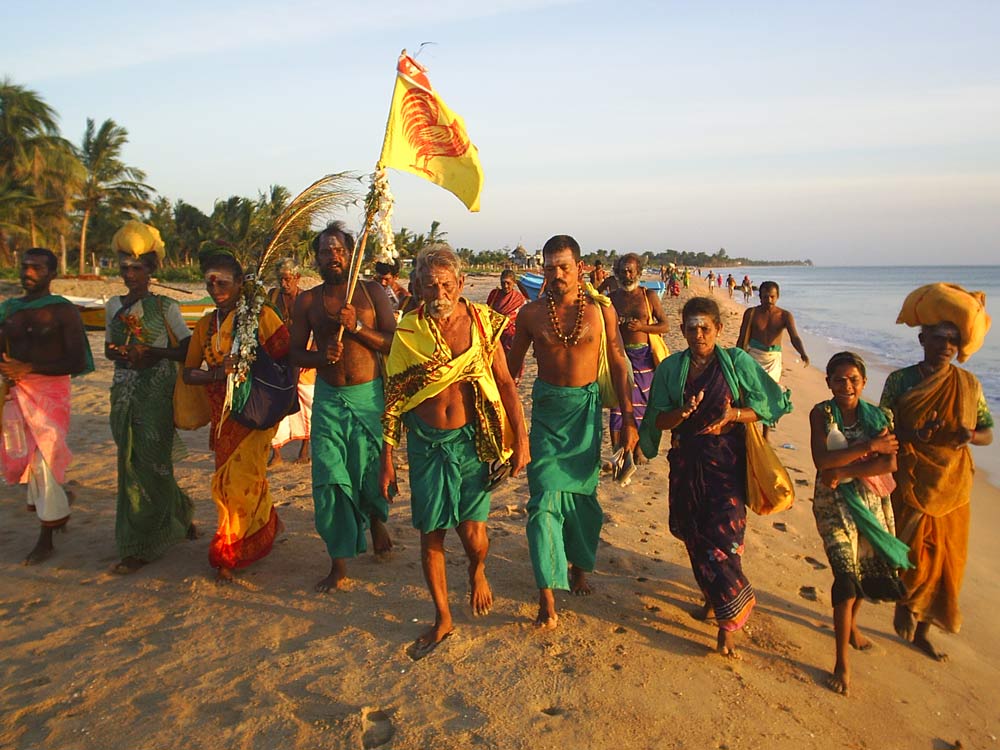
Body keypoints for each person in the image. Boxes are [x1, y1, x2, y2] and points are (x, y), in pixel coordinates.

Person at [380, 244, 529, 656]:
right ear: (418, 287)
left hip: (471, 441)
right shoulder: (408, 333)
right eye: (430, 285)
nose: (439, 292)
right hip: (426, 445)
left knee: (473, 534)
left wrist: (521, 441)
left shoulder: (483, 324)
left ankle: (478, 570)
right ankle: (442, 617)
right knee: (431, 534)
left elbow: (505, 384)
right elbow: (392, 400)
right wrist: (387, 461)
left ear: (461, 284)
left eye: (446, 284)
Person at [638, 296, 791, 657]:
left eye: (706, 327)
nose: (699, 333)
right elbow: (657, 420)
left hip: (728, 463)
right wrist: (682, 413)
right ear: (683, 330)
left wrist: (733, 416)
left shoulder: (737, 363)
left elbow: (768, 406)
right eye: (691, 328)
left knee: (725, 538)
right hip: (687, 464)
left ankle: (728, 624)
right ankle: (715, 601)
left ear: (719, 330)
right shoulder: (671, 369)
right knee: (694, 535)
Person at [507, 235, 637, 629]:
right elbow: (510, 371)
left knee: (583, 500)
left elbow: (617, 359)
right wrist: (505, 421)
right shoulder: (530, 314)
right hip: (547, 414)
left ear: (580, 268)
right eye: (549, 267)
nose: (557, 274)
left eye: (564, 266)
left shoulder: (600, 312)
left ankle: (580, 566)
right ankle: (547, 595)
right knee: (543, 500)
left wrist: (628, 418)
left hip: (585, 412)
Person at [880, 283, 993, 661]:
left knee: (947, 561)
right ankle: (904, 602)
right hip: (911, 477)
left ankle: (924, 630)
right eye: (939, 337)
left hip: (953, 484)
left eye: (953, 339)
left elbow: (988, 433)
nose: (946, 345)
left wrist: (970, 435)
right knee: (909, 553)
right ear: (922, 338)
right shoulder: (901, 381)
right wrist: (912, 434)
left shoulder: (969, 384)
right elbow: (883, 427)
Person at [289, 223, 397, 592]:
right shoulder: (307, 301)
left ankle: (375, 520)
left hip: (369, 398)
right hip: (330, 401)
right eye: (325, 251)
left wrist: (358, 327)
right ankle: (338, 561)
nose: (332, 257)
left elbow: (393, 344)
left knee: (368, 472)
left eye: (339, 251)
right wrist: (320, 357)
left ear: (352, 256)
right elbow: (293, 352)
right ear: (316, 258)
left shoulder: (372, 293)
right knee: (329, 478)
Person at [182, 246, 289, 582]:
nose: (216, 291)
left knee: (243, 481)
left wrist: (248, 366)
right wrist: (219, 374)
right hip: (221, 414)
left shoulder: (261, 316)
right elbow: (188, 373)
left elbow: (286, 360)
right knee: (230, 484)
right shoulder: (205, 324)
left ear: (241, 283)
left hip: (254, 412)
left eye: (222, 283)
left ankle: (228, 551)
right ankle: (259, 528)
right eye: (209, 284)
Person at [809, 351, 908, 695]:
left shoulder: (879, 416)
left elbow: (889, 464)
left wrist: (845, 469)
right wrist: (869, 446)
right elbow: (822, 461)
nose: (846, 385)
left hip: (872, 502)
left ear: (864, 383)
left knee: (867, 569)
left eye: (853, 380)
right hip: (831, 504)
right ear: (829, 382)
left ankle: (850, 626)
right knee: (845, 577)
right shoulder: (822, 414)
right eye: (839, 379)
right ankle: (841, 662)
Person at [104, 221, 195, 574]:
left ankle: (138, 546)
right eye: (125, 268)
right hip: (124, 394)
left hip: (156, 394)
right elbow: (110, 352)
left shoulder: (166, 307)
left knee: (153, 465)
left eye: (137, 269)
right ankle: (181, 514)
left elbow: (186, 351)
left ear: (151, 270)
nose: (130, 275)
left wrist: (153, 354)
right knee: (129, 465)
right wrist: (121, 352)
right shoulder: (114, 305)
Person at [0, 248, 93, 565]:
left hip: (50, 394)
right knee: (26, 457)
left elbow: (76, 360)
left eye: (36, 267)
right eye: (24, 266)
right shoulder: (9, 310)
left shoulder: (62, 311)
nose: (28, 272)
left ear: (52, 273)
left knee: (45, 458)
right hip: (16, 393)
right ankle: (59, 501)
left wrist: (29, 368)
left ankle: (46, 536)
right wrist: (11, 371)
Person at [607, 253, 670, 462]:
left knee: (644, 403)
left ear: (638, 272)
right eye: (623, 270)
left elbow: (665, 325)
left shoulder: (648, 296)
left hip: (644, 356)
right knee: (618, 405)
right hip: (619, 355)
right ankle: (619, 451)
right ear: (618, 272)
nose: (627, 274)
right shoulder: (612, 298)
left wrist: (642, 327)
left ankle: (640, 449)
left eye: (630, 270)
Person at [737, 281, 809, 437]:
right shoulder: (751, 313)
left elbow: (794, 337)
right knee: (751, 391)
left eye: (772, 297)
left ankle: (766, 434)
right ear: (759, 296)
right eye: (765, 297)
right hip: (754, 355)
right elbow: (742, 337)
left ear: (778, 297)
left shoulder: (784, 315)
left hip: (773, 359)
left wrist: (802, 353)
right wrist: (737, 358)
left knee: (770, 393)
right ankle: (748, 427)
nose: (768, 300)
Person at [268, 258, 314, 465]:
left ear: (297, 278)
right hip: (277, 355)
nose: (283, 283)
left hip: (302, 355)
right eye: (280, 279)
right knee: (274, 399)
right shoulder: (273, 296)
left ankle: (304, 449)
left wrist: (311, 356)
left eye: (287, 279)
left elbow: (318, 330)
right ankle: (276, 452)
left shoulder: (307, 299)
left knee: (306, 399)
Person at [486, 269, 528, 382]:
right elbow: (487, 311)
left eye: (508, 283)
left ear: (514, 283)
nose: (505, 286)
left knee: (511, 365)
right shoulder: (494, 294)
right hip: (495, 337)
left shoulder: (519, 299)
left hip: (511, 338)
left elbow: (522, 318)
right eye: (503, 282)